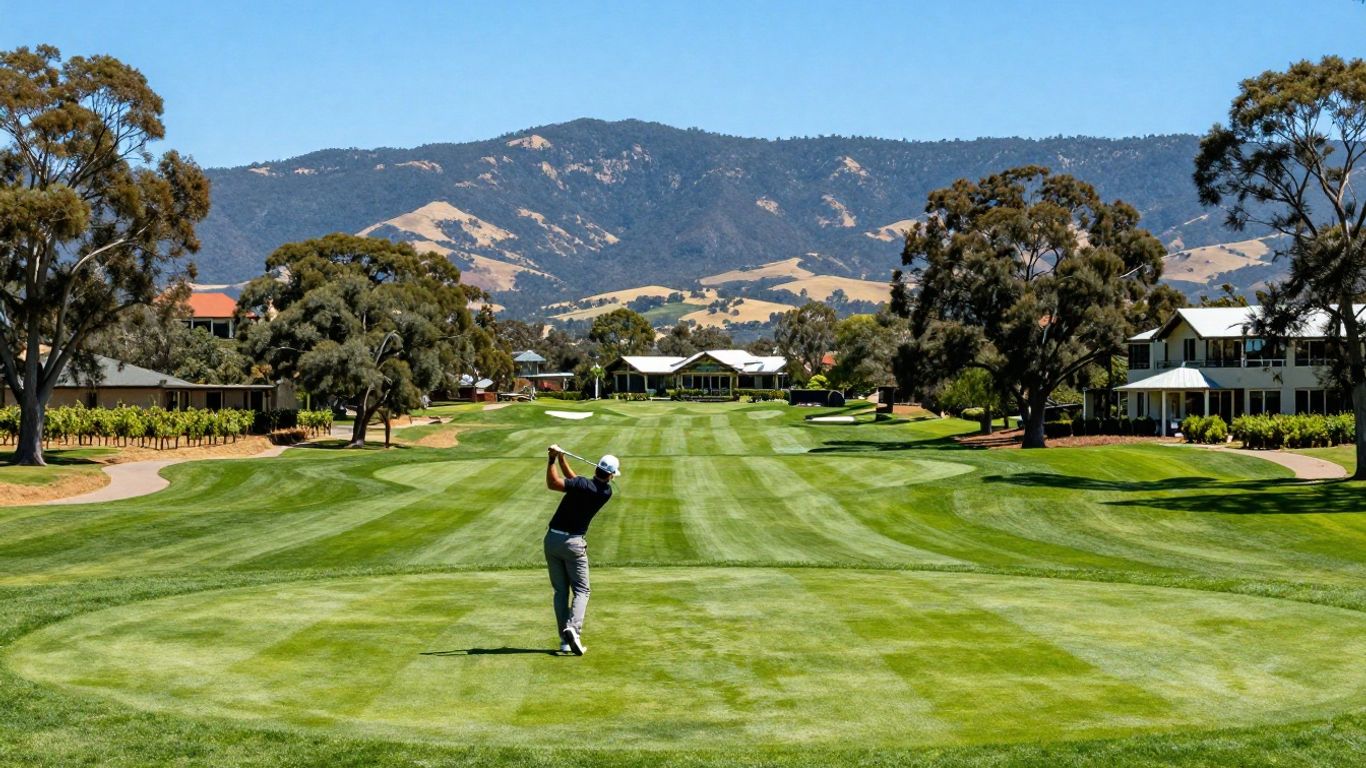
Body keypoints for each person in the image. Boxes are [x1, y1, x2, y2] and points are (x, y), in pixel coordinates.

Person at [544, 445, 618, 655]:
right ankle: (573, 629)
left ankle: (565, 640)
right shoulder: (605, 491)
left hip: (551, 540)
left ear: (596, 469)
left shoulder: (583, 485)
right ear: (611, 475)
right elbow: (575, 481)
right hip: (574, 544)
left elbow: (554, 484)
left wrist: (551, 460)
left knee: (561, 591)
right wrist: (561, 458)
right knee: (582, 590)